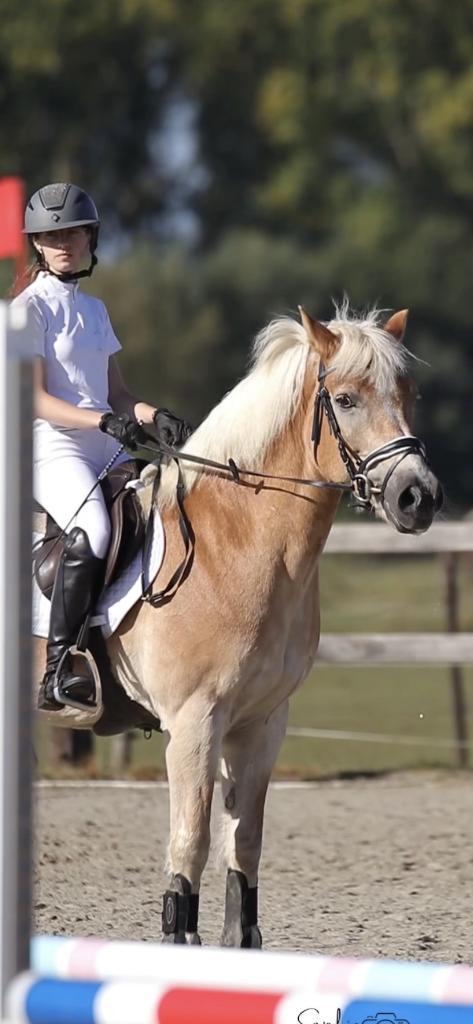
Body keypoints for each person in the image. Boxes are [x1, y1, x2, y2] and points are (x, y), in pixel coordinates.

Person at [13, 182, 191, 712]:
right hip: (53, 448)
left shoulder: (95, 310)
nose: (63, 242)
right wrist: (105, 422)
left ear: (91, 237)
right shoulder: (27, 311)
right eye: (51, 235)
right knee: (93, 529)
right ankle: (58, 669)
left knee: (169, 509)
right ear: (37, 246)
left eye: (73, 231)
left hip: (104, 442)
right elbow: (38, 400)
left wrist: (153, 415)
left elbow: (117, 393)